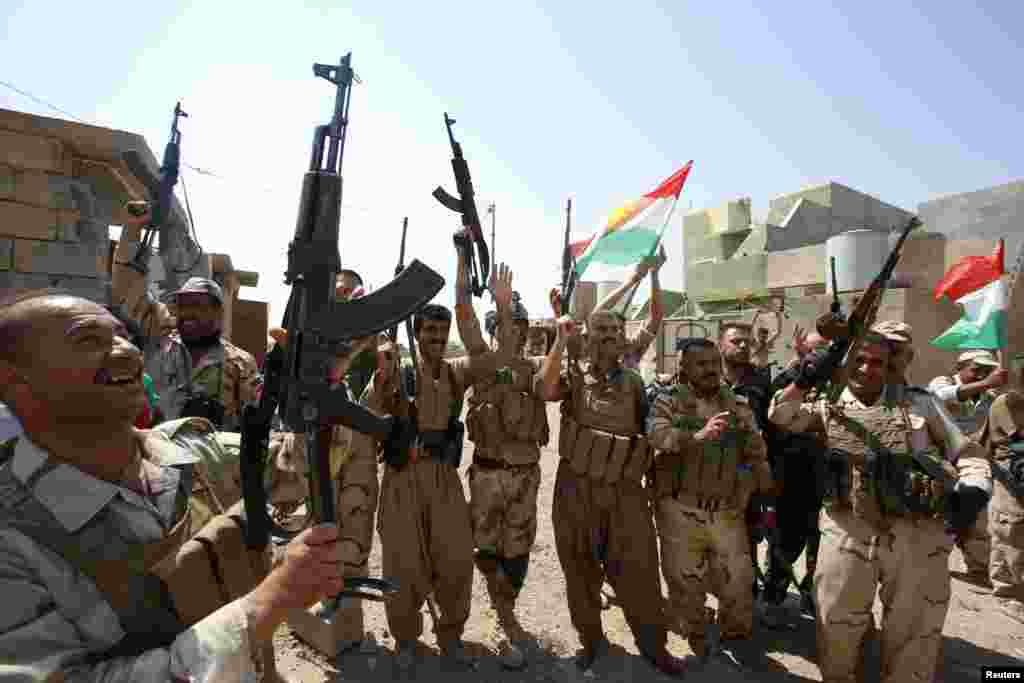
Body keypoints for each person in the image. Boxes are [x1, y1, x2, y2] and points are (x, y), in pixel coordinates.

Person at [0, 289, 346, 681]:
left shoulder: (193, 452)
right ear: (15, 382)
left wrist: (326, 385)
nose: (128, 352)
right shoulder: (14, 533)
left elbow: (300, 465)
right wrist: (269, 602)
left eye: (122, 337)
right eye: (88, 340)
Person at [769, 328, 992, 683]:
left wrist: (975, 486)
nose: (866, 369)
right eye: (858, 360)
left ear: (890, 366)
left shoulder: (921, 403)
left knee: (914, 626)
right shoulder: (827, 404)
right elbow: (781, 416)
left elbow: (965, 451)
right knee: (837, 620)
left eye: (876, 362)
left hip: (916, 533)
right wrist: (805, 377)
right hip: (847, 528)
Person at [363, 238, 516, 672]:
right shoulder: (397, 371)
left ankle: (450, 634)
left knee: (454, 560)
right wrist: (381, 376)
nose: (435, 338)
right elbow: (369, 411)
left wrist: (501, 308)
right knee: (403, 564)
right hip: (402, 479)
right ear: (416, 333)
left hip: (444, 480)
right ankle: (406, 640)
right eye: (427, 332)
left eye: (441, 332)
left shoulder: (456, 372)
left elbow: (502, 355)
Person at [538, 254, 687, 677]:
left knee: (639, 569)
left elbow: (657, 316)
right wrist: (559, 340)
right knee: (580, 570)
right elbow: (545, 390)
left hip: (625, 491)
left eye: (615, 330)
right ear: (587, 335)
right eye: (600, 329)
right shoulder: (573, 370)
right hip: (576, 488)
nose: (608, 336)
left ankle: (653, 647)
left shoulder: (633, 372)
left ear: (624, 338)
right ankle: (590, 640)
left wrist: (654, 273)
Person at [647, 337, 774, 665]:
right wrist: (694, 437)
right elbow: (656, 434)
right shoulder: (669, 401)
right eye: (701, 364)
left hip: (727, 512)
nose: (710, 370)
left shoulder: (737, 405)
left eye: (714, 364)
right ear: (684, 367)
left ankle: (734, 633)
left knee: (738, 579)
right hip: (680, 509)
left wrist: (763, 498)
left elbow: (757, 454)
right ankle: (695, 630)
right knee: (685, 581)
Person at [112, 203, 260, 431]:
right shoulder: (159, 336)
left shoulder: (240, 363)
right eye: (184, 305)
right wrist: (131, 231)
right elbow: (126, 289)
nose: (189, 312)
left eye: (199, 305)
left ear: (217, 312)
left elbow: (251, 426)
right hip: (158, 459)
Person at [464, 283, 550, 669]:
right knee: (485, 545)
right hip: (487, 473)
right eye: (502, 325)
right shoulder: (480, 361)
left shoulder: (533, 369)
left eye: (516, 324)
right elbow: (465, 321)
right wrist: (490, 297)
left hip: (523, 476)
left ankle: (506, 609)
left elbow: (550, 387)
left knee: (517, 548)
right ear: (493, 330)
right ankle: (503, 613)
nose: (510, 331)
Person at [760, 324, 830, 619]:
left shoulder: (841, 383)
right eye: (814, 350)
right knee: (786, 545)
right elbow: (772, 425)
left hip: (829, 482)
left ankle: (813, 598)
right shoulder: (786, 382)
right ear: (801, 351)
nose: (819, 356)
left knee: (824, 549)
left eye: (825, 350)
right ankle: (773, 599)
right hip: (791, 480)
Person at [976, 351, 1024, 625]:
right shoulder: (1007, 403)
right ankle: (1008, 593)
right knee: (1010, 531)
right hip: (1010, 474)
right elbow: (1016, 440)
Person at [750, 304, 782, 370]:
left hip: (765, 370)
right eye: (763, 335)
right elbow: (750, 328)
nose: (765, 337)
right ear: (758, 335)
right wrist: (756, 315)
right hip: (755, 369)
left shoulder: (767, 343)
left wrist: (779, 317)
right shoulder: (755, 344)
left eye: (765, 335)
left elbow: (778, 332)